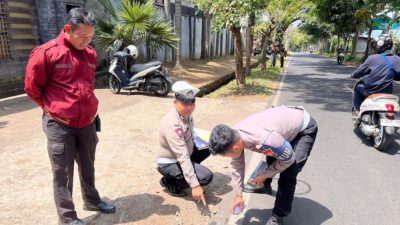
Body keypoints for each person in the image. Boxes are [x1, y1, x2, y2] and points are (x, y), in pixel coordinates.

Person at [24, 8, 115, 225]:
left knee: (88, 165)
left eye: (91, 36)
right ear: (68, 29)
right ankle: (67, 217)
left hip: (87, 123)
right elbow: (32, 88)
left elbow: (86, 86)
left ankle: (92, 200)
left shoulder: (90, 54)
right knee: (62, 173)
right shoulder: (46, 53)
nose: (87, 41)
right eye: (83, 36)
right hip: (60, 125)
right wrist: (53, 109)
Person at [208, 106, 318, 225]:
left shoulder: (266, 140)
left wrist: (264, 175)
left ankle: (278, 216)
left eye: (227, 155)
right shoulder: (232, 136)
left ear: (235, 148)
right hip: (277, 133)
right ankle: (265, 186)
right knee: (272, 156)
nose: (230, 158)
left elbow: (288, 159)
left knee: (289, 172)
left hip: (303, 129)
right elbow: (237, 166)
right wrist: (238, 195)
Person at [156, 81, 213, 205]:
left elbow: (191, 135)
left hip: (182, 153)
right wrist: (195, 185)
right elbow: (182, 156)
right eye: (184, 102)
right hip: (170, 162)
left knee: (209, 146)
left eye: (192, 102)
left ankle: (186, 173)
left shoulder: (186, 115)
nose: (189, 106)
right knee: (206, 177)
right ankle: (170, 181)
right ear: (175, 102)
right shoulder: (172, 124)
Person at [351, 35, 400, 116]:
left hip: (370, 91)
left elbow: (358, 72)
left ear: (380, 45)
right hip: (388, 93)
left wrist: (353, 75)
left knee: (357, 87)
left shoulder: (372, 58)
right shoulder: (397, 59)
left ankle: (356, 111)